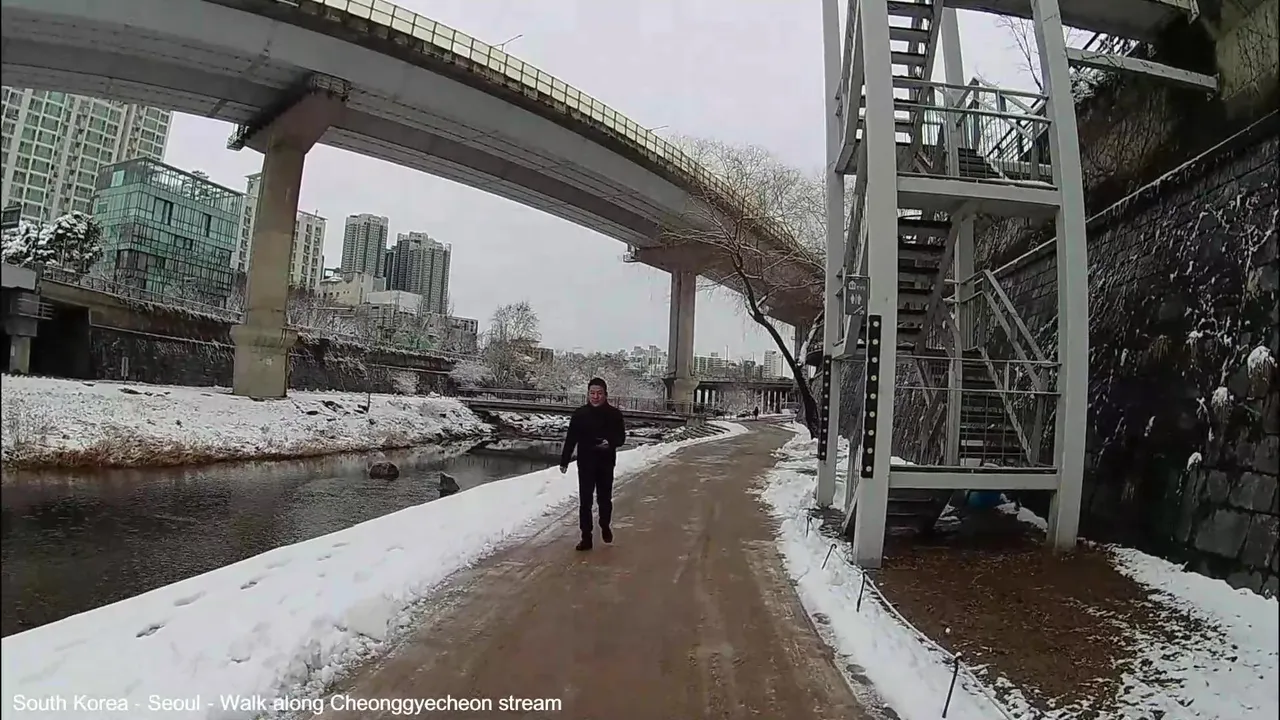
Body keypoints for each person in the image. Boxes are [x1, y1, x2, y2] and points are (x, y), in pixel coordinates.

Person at [559, 377, 627, 551]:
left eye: (599, 393)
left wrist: (609, 442)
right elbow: (571, 438)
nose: (595, 397)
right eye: (592, 393)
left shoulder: (614, 415)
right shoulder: (580, 414)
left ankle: (604, 524)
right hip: (586, 462)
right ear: (588, 394)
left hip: (605, 462)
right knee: (585, 501)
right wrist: (564, 460)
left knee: (604, 499)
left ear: (605, 395)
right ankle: (586, 537)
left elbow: (621, 438)